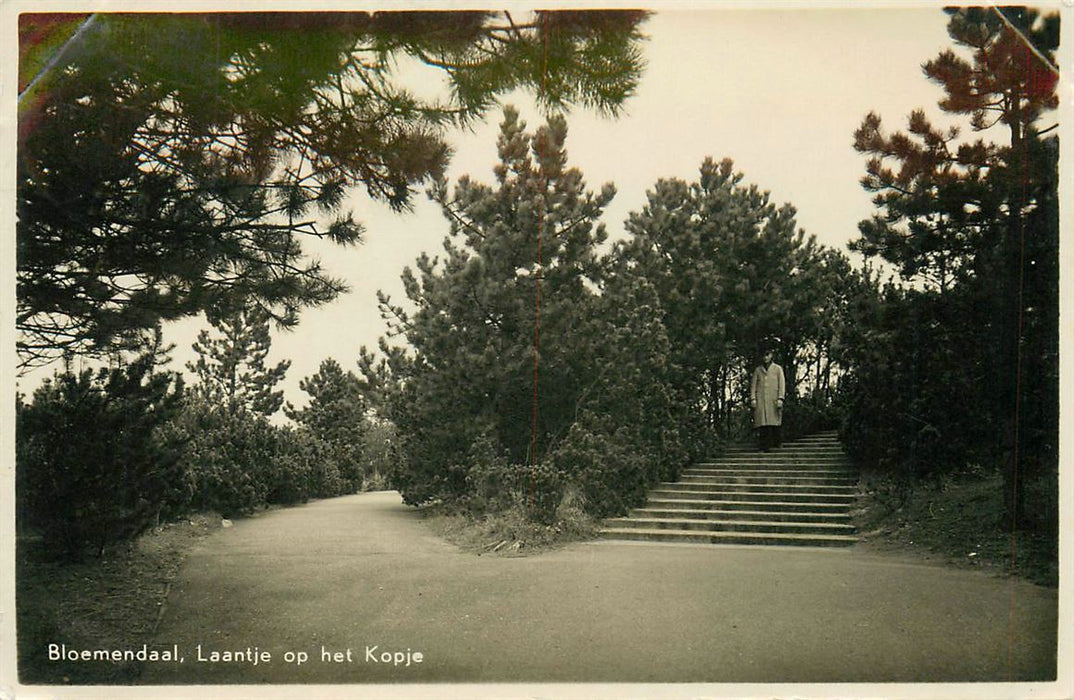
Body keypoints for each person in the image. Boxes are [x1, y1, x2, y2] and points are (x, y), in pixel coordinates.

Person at [750, 347, 785, 451]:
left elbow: (782, 384)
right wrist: (753, 399)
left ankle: (777, 443)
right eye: (764, 355)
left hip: (773, 399)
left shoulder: (778, 369)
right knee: (762, 423)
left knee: (775, 421)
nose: (765, 358)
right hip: (761, 399)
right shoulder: (758, 370)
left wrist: (780, 398)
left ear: (771, 356)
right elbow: (753, 386)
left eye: (767, 355)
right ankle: (764, 445)